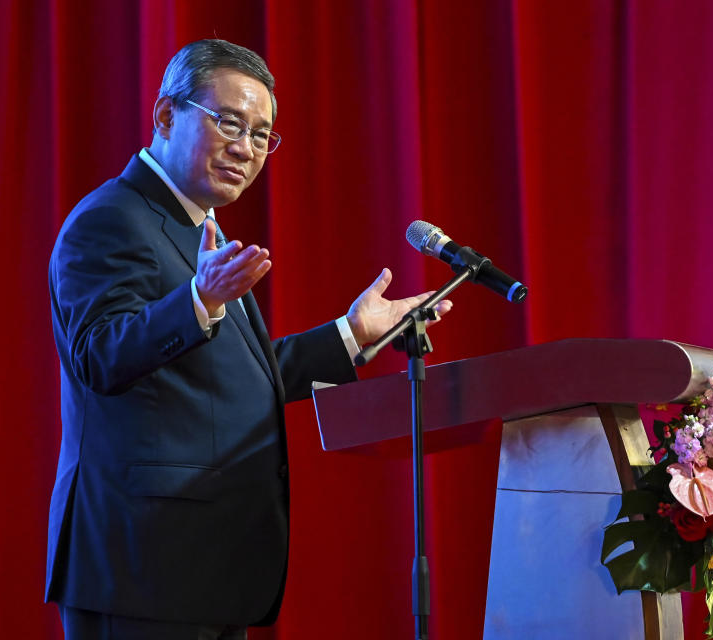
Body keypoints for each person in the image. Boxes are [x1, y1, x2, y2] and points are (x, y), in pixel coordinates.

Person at [46, 39, 451, 639]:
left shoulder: (196, 227)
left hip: (203, 564)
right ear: (165, 116)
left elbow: (235, 377)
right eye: (229, 123)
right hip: (141, 564)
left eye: (262, 135)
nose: (247, 148)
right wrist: (199, 300)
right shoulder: (112, 219)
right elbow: (99, 356)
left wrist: (350, 335)